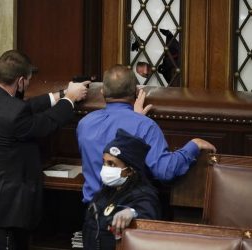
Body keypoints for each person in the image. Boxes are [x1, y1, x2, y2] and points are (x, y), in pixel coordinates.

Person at [0, 49, 89, 250]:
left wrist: (60, 95)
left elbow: (22, 108)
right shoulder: (15, 112)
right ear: (21, 81)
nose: (29, 84)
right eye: (29, 80)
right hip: (7, 208)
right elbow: (45, 123)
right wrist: (70, 100)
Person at [77, 64, 216, 204]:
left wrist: (135, 118)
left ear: (102, 92)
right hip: (128, 214)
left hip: (92, 214)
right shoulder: (144, 125)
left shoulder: (84, 124)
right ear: (136, 92)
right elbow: (166, 171)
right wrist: (194, 145)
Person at [83, 128, 161, 250]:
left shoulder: (143, 194)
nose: (105, 168)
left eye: (112, 164)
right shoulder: (107, 191)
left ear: (130, 170)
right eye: (104, 162)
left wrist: (132, 212)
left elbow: (147, 213)